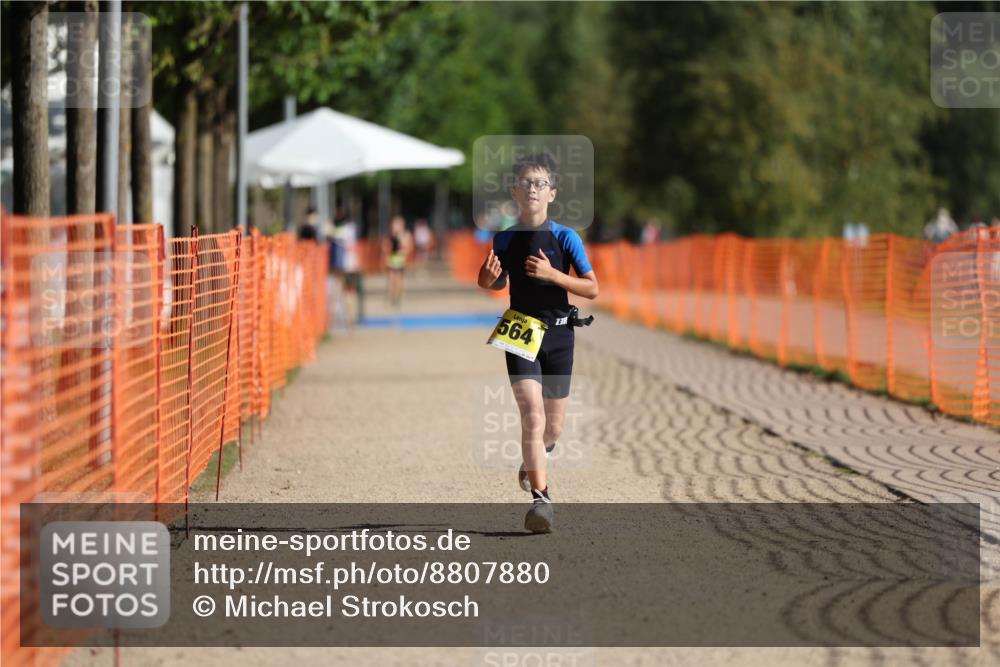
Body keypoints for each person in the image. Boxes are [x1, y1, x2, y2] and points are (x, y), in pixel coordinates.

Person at [477, 153, 599, 533]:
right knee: (532, 414)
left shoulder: (566, 237)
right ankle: (542, 500)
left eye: (540, 183)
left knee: (554, 427)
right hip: (521, 331)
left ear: (552, 193)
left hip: (560, 334)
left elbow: (592, 288)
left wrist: (552, 274)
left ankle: (535, 462)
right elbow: (496, 284)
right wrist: (486, 279)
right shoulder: (505, 238)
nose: (532, 189)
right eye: (526, 183)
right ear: (515, 191)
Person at [384, 215, 411, 306]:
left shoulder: (405, 235)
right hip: (392, 259)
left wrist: (402, 251)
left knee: (399, 279)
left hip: (400, 260)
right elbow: (386, 246)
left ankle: (398, 298)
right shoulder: (390, 235)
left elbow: (408, 247)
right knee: (391, 279)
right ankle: (391, 297)